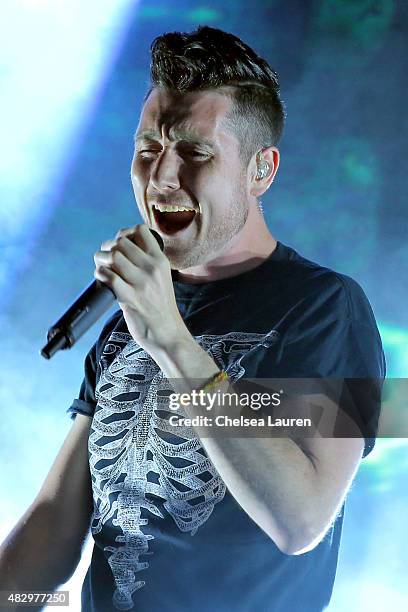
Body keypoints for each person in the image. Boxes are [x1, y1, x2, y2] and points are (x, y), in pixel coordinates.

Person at [0, 26, 385, 612]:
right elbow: (55, 525)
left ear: (261, 170)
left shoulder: (325, 308)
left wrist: (172, 344)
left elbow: (300, 520)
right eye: (148, 150)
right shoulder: (128, 318)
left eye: (195, 152)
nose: (162, 178)